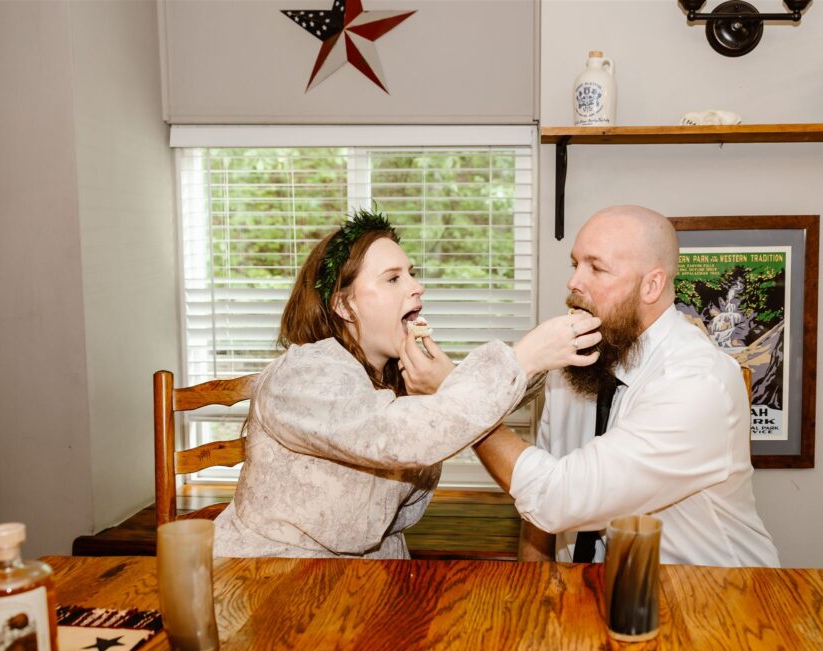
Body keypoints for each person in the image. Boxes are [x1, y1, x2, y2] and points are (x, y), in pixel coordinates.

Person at [213, 210, 601, 559]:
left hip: (367, 577)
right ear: (344, 306)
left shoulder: (393, 376)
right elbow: (399, 434)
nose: (417, 287)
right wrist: (525, 356)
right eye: (393, 278)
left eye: (411, 273)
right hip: (268, 575)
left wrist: (551, 357)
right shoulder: (302, 375)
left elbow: (465, 403)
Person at [472, 205, 780, 567]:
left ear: (651, 285)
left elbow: (556, 497)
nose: (574, 282)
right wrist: (533, 593)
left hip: (713, 599)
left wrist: (467, 412)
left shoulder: (697, 383)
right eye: (575, 265)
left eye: (596, 268)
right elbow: (542, 502)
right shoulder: (574, 361)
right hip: (588, 595)